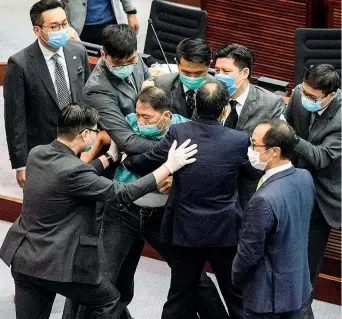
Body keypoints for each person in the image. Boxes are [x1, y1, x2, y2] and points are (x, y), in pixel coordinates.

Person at [0, 102, 196, 319]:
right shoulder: (73, 172)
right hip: (54, 263)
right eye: (94, 131)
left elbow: (74, 176)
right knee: (110, 300)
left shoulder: (38, 153)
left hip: (23, 259)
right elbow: (122, 193)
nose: (96, 136)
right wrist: (168, 167)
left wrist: (110, 157)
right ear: (84, 134)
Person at [68, 87, 229, 319]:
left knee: (194, 276)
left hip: (162, 217)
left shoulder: (185, 130)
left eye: (147, 117)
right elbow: (106, 136)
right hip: (122, 212)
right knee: (101, 277)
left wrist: (176, 177)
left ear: (166, 116)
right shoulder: (128, 122)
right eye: (138, 114)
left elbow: (204, 164)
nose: (140, 121)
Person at [124, 80, 261, 319]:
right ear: (225, 110)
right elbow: (253, 174)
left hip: (185, 231)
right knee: (236, 296)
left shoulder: (179, 132)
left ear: (196, 106)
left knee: (179, 297)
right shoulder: (239, 141)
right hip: (224, 232)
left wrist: (125, 159)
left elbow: (149, 160)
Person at [232, 119, 315, 318]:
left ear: (275, 151)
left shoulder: (263, 200)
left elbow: (249, 252)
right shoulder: (305, 177)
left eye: (254, 145)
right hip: (296, 287)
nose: (250, 150)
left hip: (266, 297)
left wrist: (235, 276)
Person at [4, 0, 91, 189]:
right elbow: (14, 119)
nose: (61, 30)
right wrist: (21, 164)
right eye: (54, 26)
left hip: (78, 147)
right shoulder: (20, 64)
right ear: (37, 30)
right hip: (42, 153)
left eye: (64, 24)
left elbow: (86, 98)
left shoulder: (78, 51)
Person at [284, 64, 341, 319]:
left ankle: (301, 313)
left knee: (306, 265)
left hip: (322, 194)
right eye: (304, 92)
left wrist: (291, 139)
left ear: (331, 95)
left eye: (313, 97)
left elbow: (321, 157)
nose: (305, 98)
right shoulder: (299, 93)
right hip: (294, 184)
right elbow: (287, 122)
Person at [214, 44, 285, 207]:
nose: (219, 77)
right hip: (212, 185)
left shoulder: (270, 104)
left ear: (244, 73)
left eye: (226, 72)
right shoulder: (211, 95)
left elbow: (274, 153)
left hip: (247, 190)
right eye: (217, 71)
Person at [82, 24, 154, 155]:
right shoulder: (96, 89)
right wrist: (170, 143)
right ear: (103, 54)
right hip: (120, 153)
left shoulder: (134, 59)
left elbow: (149, 79)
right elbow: (127, 141)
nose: (126, 66)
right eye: (118, 64)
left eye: (131, 60)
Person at [155, 38, 214, 119]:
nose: (192, 77)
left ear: (209, 65)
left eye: (198, 73)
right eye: (186, 72)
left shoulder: (218, 89)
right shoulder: (162, 85)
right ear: (177, 63)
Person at [64, 0, 139, 45]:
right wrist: (64, 24)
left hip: (111, 22)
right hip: (79, 27)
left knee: (115, 62)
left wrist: (130, 12)